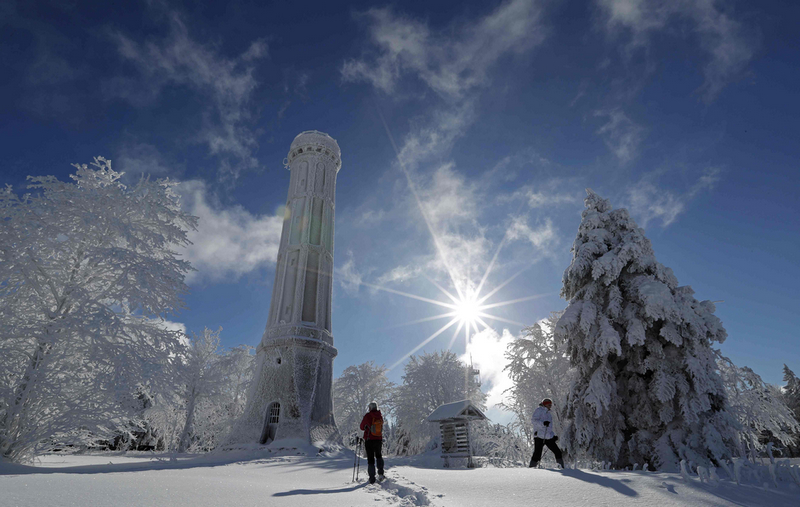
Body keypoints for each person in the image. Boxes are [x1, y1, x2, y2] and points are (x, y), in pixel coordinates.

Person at [529, 398, 564, 469]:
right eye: (549, 404)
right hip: (539, 435)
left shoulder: (549, 413)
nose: (550, 406)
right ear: (545, 404)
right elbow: (533, 421)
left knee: (557, 451)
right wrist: (542, 423)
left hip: (548, 437)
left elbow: (549, 428)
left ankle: (561, 467)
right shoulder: (539, 410)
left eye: (551, 404)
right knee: (537, 454)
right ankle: (532, 468)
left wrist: (553, 436)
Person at [360, 402, 385, 484]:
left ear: (370, 408)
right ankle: (381, 473)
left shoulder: (368, 416)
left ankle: (372, 478)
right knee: (379, 456)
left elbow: (361, 427)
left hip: (369, 439)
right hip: (378, 439)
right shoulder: (380, 415)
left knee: (370, 459)